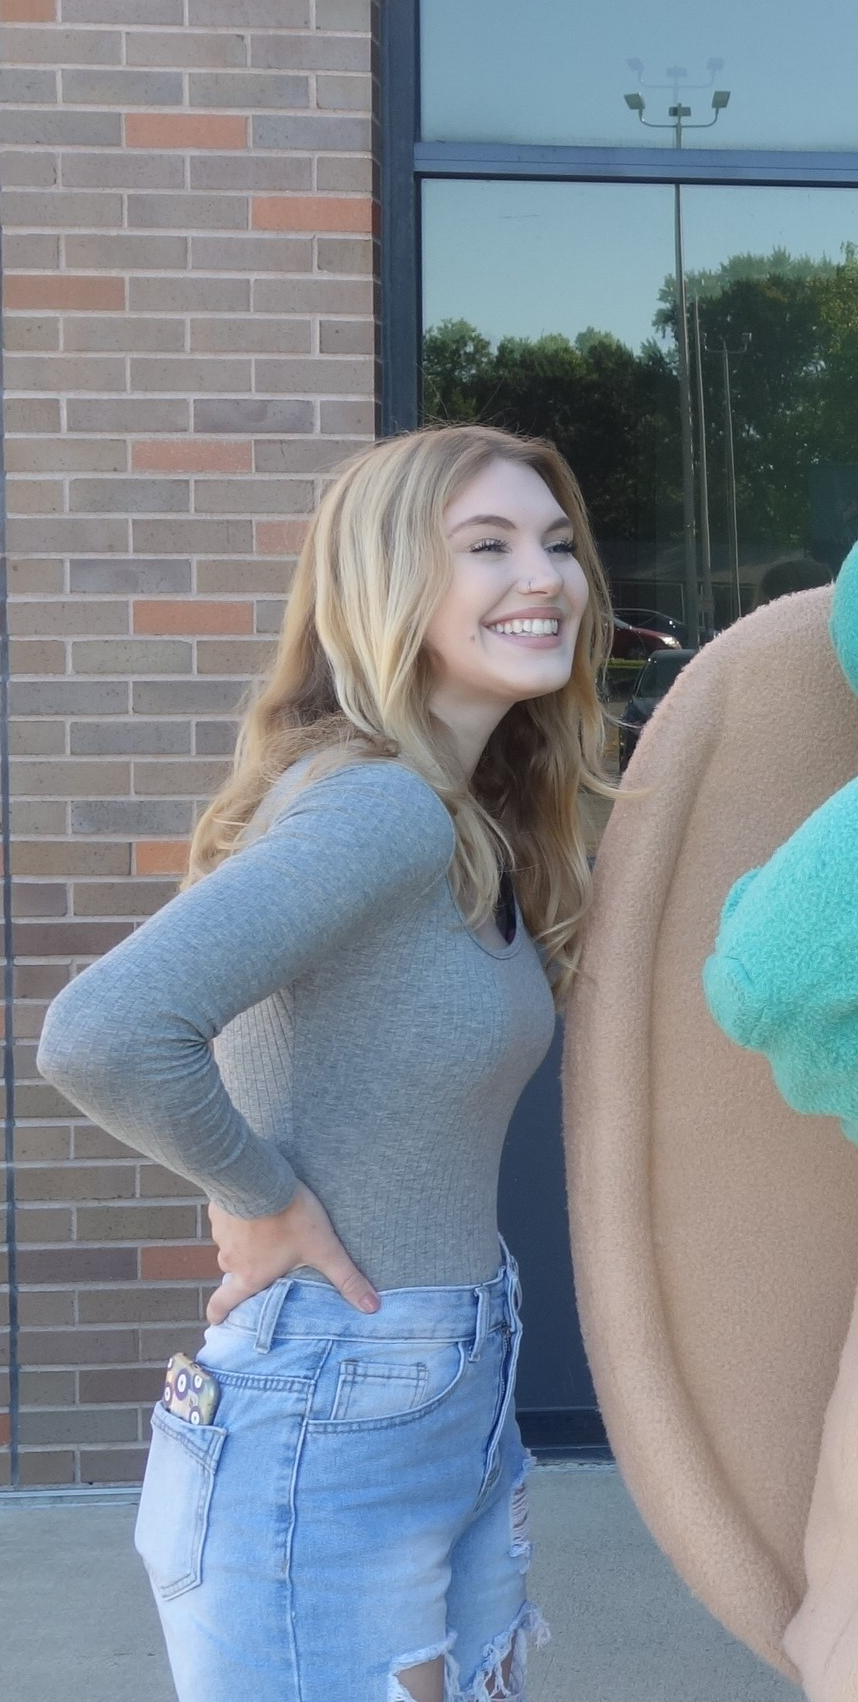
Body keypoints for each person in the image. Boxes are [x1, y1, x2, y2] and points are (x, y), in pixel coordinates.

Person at [38, 424, 620, 1702]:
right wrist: (259, 1193)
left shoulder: (464, 818)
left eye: (557, 543)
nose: (547, 577)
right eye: (488, 547)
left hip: (443, 1381)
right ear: (384, 586)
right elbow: (102, 1031)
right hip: (334, 1396)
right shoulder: (379, 807)